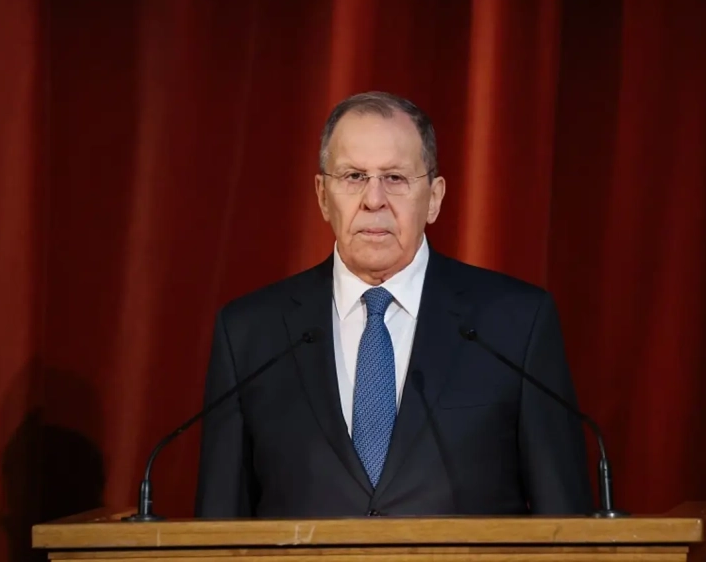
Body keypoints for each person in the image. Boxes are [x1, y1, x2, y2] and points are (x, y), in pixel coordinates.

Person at [194, 91, 593, 518]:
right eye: (353, 176)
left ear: (434, 197)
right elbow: (218, 524)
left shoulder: (515, 323)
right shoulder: (250, 333)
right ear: (323, 195)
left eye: (396, 178)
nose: (373, 200)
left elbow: (564, 521)